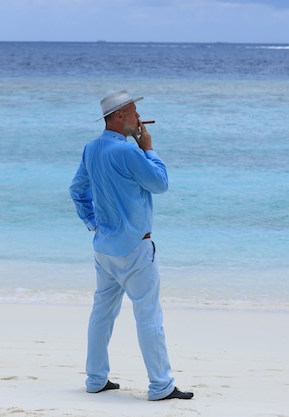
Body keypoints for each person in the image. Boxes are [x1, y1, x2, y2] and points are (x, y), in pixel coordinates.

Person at [69, 90, 193, 401]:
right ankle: (161, 385)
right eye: (135, 111)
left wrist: (93, 222)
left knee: (102, 314)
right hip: (136, 249)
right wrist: (148, 148)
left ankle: (96, 379)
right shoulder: (128, 152)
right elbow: (160, 184)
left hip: (104, 247)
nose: (139, 117)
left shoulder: (92, 148)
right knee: (148, 316)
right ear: (121, 116)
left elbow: (77, 189)